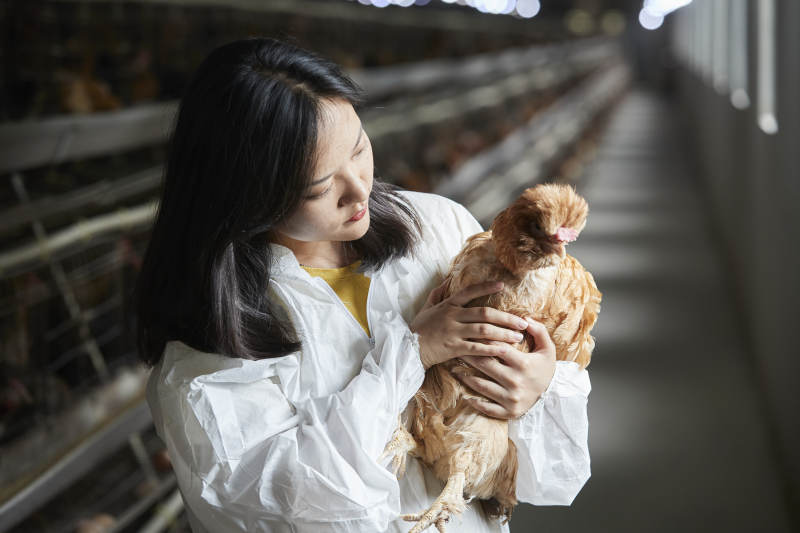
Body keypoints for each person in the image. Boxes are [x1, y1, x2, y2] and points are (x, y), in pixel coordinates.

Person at [136, 37, 591, 533]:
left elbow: (540, 467)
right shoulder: (209, 352)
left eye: (359, 148)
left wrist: (538, 385)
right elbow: (301, 497)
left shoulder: (437, 228)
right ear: (249, 196)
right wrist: (410, 353)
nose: (359, 189)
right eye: (319, 186)